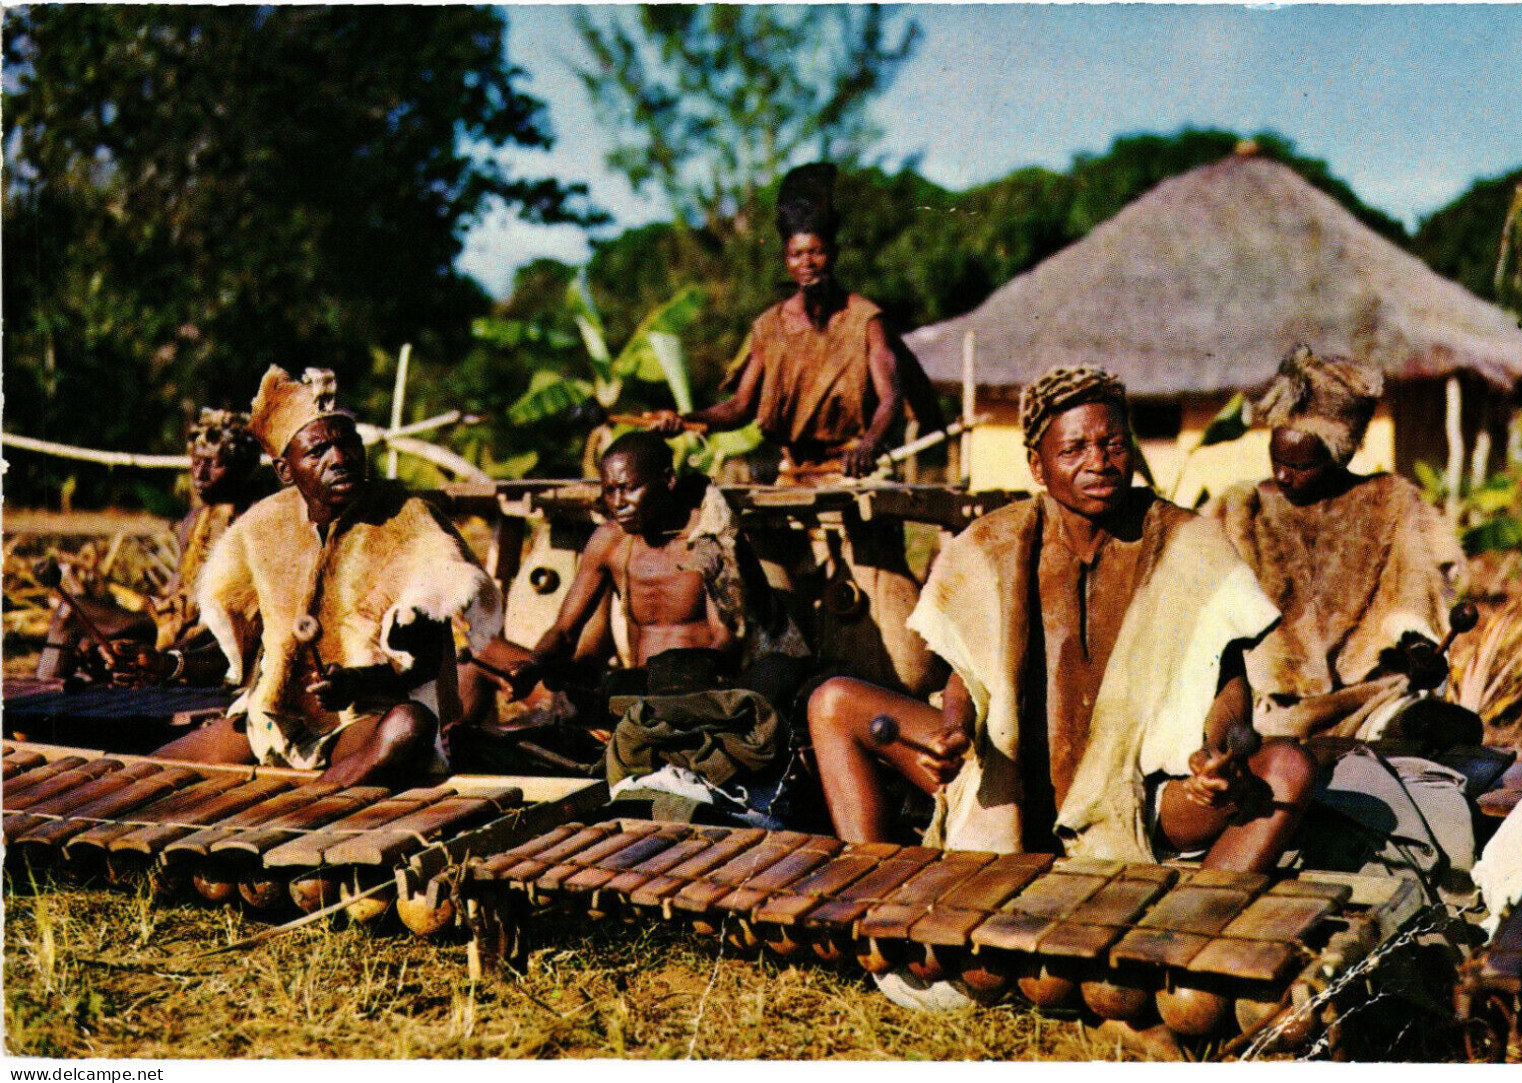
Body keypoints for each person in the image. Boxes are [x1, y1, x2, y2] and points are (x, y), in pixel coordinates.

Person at [808, 366, 1317, 874]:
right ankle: (873, 897)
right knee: (833, 703)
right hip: (1008, 781)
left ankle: (1188, 928)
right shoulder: (996, 544)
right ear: (1037, 465)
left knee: (1287, 767)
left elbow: (1227, 678)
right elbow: (967, 673)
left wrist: (1216, 751)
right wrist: (953, 731)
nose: (1098, 462)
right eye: (1073, 450)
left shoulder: (1188, 543)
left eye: (1114, 444)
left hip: (1137, 799)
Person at [648, 163, 941, 693]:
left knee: (868, 595)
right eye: (796, 255)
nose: (808, 264)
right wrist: (686, 420)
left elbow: (892, 393)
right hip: (792, 477)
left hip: (850, 471)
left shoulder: (865, 319)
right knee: (764, 590)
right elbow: (738, 408)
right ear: (786, 259)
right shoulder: (769, 326)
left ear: (833, 252)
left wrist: (870, 444)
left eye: (817, 252)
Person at [151, 366, 503, 786]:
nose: (339, 459)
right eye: (318, 451)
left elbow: (425, 661)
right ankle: (325, 786)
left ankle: (317, 799)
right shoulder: (261, 528)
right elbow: (239, 655)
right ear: (286, 470)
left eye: (348, 444)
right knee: (148, 771)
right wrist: (169, 663)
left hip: (359, 725)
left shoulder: (411, 522)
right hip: (272, 727)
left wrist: (356, 682)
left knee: (408, 725)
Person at [479, 431, 809, 819]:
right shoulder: (610, 543)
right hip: (636, 695)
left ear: (667, 481)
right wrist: (533, 664)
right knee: (485, 657)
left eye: (629, 489)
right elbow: (564, 631)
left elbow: (727, 637)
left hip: (701, 700)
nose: (618, 503)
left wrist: (685, 684)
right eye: (609, 491)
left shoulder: (706, 537)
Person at [1212, 345, 1467, 742]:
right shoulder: (1240, 510)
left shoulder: (1391, 502)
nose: (1282, 476)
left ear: (1338, 457)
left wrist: (1416, 644)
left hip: (1370, 700)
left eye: (1299, 466)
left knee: (1434, 726)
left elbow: (1412, 593)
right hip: (1269, 710)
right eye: (1275, 460)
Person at [37, 407, 271, 684]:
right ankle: (41, 709)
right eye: (196, 462)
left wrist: (170, 654)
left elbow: (249, 616)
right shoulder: (196, 518)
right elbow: (173, 593)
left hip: (213, 639)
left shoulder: (258, 521)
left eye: (213, 464)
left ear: (242, 468)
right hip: (169, 625)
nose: (200, 474)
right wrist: (123, 633)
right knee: (70, 611)